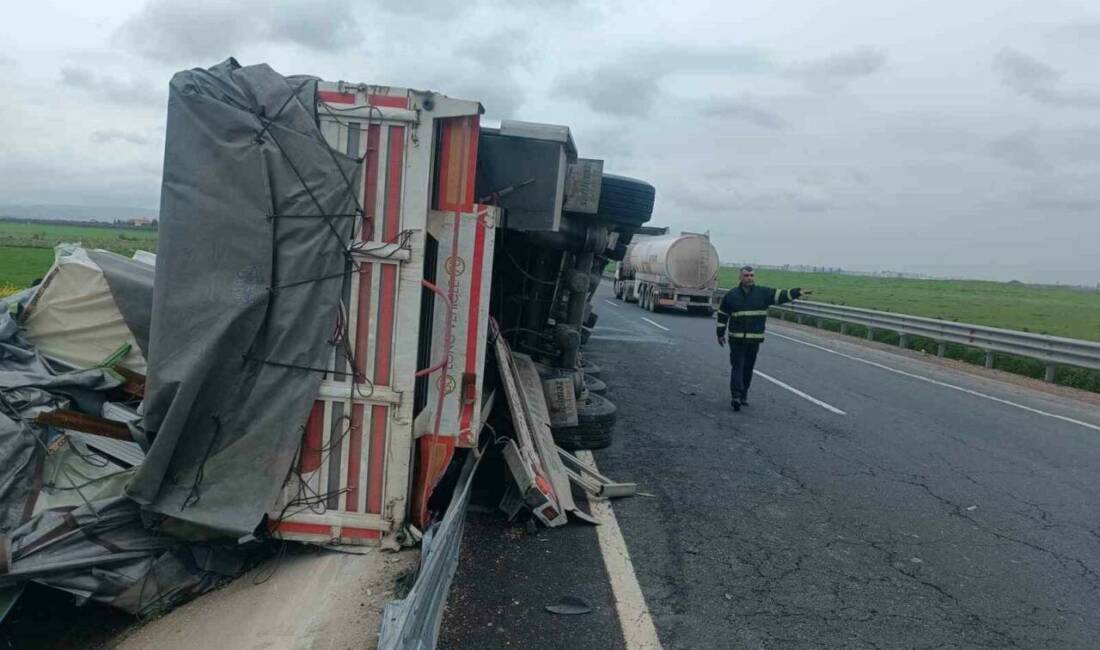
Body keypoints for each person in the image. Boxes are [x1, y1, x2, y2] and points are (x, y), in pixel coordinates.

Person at [717, 266, 811, 411]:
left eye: (751, 275)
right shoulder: (732, 295)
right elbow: (723, 314)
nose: (749, 278)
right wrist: (720, 333)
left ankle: (743, 394)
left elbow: (780, 295)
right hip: (736, 339)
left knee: (748, 368)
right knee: (737, 367)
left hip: (754, 340)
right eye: (746, 275)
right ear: (740, 277)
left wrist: (796, 292)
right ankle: (736, 395)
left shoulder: (763, 293)